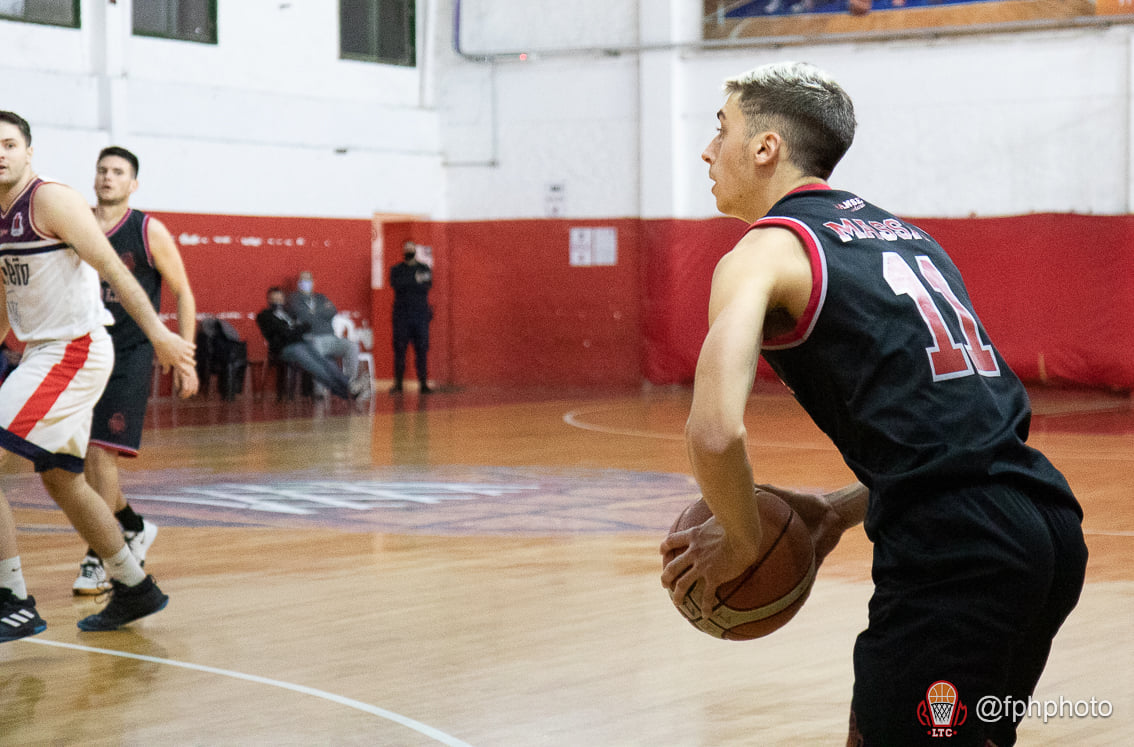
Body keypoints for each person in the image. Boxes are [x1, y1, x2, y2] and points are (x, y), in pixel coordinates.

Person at [658, 63, 1087, 747]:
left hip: (955, 555)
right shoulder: (911, 238)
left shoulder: (763, 253)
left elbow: (713, 432)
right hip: (1047, 529)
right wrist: (834, 509)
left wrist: (742, 540)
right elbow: (961, 434)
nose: (710, 150)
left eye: (722, 130)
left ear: (766, 147)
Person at [0, 111, 195, 639]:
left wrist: (161, 335)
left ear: (28, 151)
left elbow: (114, 268)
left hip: (75, 349)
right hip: (46, 351)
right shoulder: (1, 214)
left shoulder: (52, 200)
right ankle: (134, 586)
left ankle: (11, 597)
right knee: (63, 478)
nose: (0, 153)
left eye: (9, 144)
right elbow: (6, 292)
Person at [72, 146, 198, 596]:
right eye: (102, 170)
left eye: (118, 172)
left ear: (133, 184)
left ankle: (99, 557)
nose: (107, 177)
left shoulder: (148, 230)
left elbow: (184, 293)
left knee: (100, 455)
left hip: (131, 353)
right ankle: (132, 527)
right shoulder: (78, 224)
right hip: (84, 352)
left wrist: (186, 358)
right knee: (85, 461)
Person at [256, 287, 363, 401]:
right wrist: (294, 330)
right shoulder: (264, 315)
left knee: (325, 361)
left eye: (279, 298)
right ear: (269, 300)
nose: (277, 301)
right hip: (284, 348)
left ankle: (348, 386)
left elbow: (305, 327)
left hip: (302, 343)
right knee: (315, 366)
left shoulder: (288, 313)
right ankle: (344, 390)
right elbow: (282, 333)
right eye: (274, 299)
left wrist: (293, 330)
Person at [285, 269, 361, 397]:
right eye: (303, 280)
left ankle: (350, 384)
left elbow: (332, 311)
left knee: (352, 346)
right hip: (311, 338)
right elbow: (303, 316)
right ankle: (319, 391)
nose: (306, 282)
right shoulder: (295, 298)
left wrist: (313, 313)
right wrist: (319, 313)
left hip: (331, 338)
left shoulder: (321, 297)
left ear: (313, 282)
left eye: (308, 279)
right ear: (298, 283)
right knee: (317, 351)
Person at [388, 240, 433, 394]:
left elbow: (426, 285)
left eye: (411, 249)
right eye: (406, 248)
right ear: (403, 251)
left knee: (421, 350)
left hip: (420, 316)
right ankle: (398, 384)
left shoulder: (424, 268)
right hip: (401, 316)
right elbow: (397, 284)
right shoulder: (396, 269)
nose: (409, 251)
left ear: (415, 251)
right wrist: (415, 280)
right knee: (399, 350)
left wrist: (410, 282)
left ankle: (423, 384)